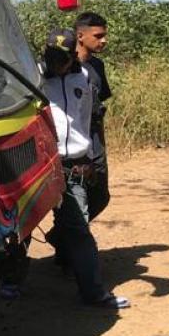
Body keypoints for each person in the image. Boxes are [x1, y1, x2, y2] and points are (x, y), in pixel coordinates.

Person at [42, 28, 130, 309]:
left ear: (73, 57)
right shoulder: (33, 76)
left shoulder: (86, 77)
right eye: (51, 57)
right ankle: (9, 283)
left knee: (79, 228)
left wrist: (90, 157)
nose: (56, 64)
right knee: (18, 224)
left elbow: (88, 120)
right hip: (41, 163)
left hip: (73, 166)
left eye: (62, 58)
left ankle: (93, 293)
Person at [75, 11, 111, 220]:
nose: (103, 41)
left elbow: (100, 110)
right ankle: (73, 241)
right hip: (71, 143)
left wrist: (102, 147)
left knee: (100, 196)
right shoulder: (62, 68)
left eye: (104, 35)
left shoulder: (98, 66)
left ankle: (62, 236)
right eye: (98, 36)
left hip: (94, 141)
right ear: (80, 36)